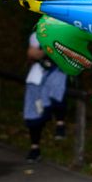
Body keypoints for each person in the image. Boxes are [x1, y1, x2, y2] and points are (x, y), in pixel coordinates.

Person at [23, 31, 68, 163]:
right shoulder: (38, 34)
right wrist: (48, 49)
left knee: (57, 91)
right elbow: (32, 53)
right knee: (33, 114)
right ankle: (34, 148)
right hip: (37, 78)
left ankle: (60, 125)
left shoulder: (66, 32)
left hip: (57, 73)